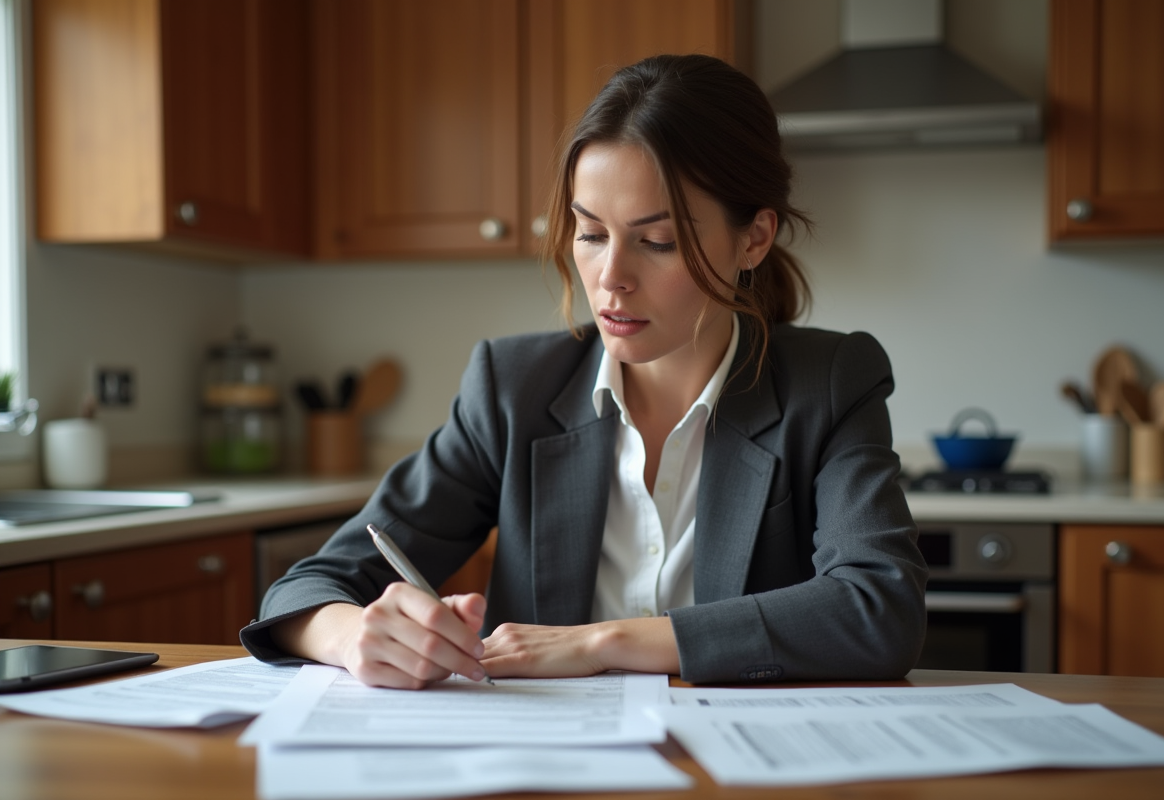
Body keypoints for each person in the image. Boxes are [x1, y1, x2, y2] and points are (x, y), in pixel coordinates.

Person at [240, 54, 927, 688]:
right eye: (591, 234)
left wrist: (601, 643)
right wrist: (356, 634)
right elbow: (309, 587)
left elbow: (880, 607)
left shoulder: (831, 381)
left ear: (754, 238)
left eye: (657, 241)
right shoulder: (512, 388)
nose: (610, 279)